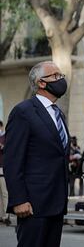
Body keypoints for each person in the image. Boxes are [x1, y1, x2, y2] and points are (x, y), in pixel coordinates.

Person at [4, 61, 70, 247]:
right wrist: (19, 199)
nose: (61, 79)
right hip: (33, 204)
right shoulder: (23, 112)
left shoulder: (58, 114)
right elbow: (12, 160)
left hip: (56, 204)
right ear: (41, 83)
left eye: (61, 75)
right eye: (56, 76)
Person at [0, 120, 10, 225]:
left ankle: (6, 215)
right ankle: (1, 215)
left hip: (3, 167)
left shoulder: (5, 137)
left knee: (4, 193)